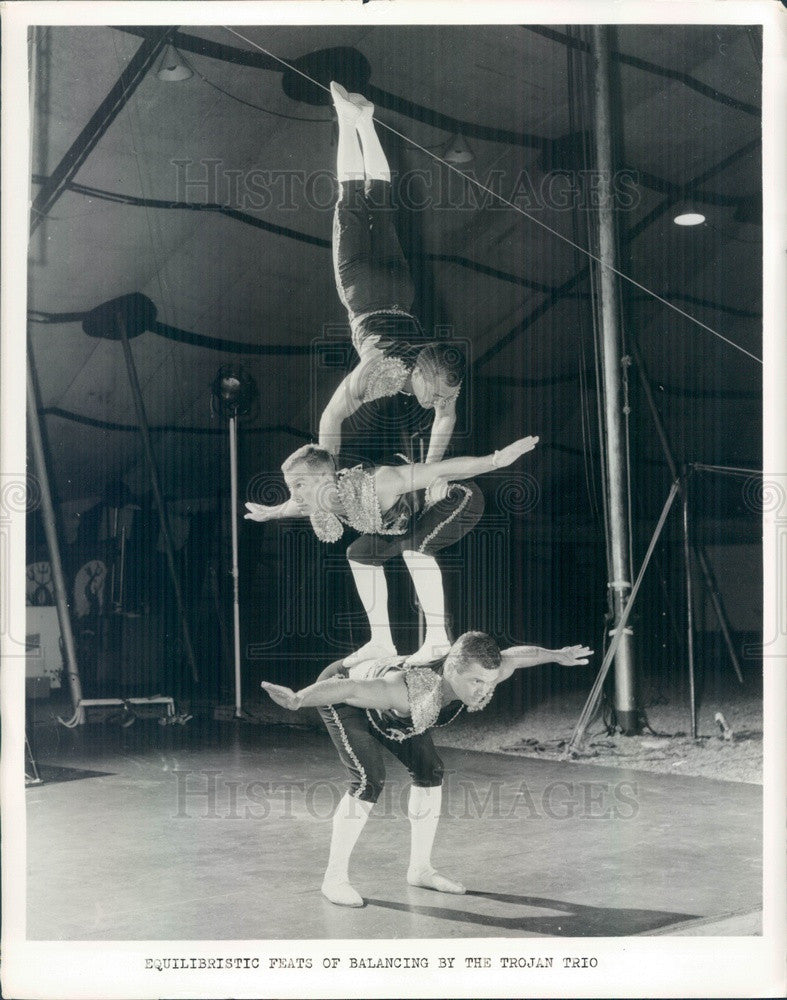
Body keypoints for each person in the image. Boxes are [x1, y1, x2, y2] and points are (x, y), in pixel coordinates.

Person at [260, 631, 593, 906]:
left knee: (430, 771)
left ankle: (420, 870)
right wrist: (299, 699)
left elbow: (517, 656)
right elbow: (351, 689)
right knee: (369, 779)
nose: (483, 691)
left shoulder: (485, 672)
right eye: (475, 682)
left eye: (489, 683)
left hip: (390, 712)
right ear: (451, 668)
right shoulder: (405, 690)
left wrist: (556, 652)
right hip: (343, 693)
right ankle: (333, 879)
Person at [245, 434, 539, 664]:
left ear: (325, 480)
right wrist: (270, 513)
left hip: (457, 496)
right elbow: (293, 507)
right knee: (359, 554)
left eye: (298, 485)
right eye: (290, 487)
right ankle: (382, 643)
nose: (294, 495)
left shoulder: (380, 482)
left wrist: (497, 460)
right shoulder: (319, 498)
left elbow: (441, 469)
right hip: (411, 521)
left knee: (414, 549)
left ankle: (438, 640)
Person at [319, 81, 464, 463]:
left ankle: (366, 122)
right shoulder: (381, 375)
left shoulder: (441, 368)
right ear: (419, 374)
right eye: (433, 395)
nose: (434, 403)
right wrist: (324, 473)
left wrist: (431, 471)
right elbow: (330, 417)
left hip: (402, 292)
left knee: (382, 205)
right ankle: (347, 121)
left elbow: (446, 416)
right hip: (365, 294)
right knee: (350, 200)